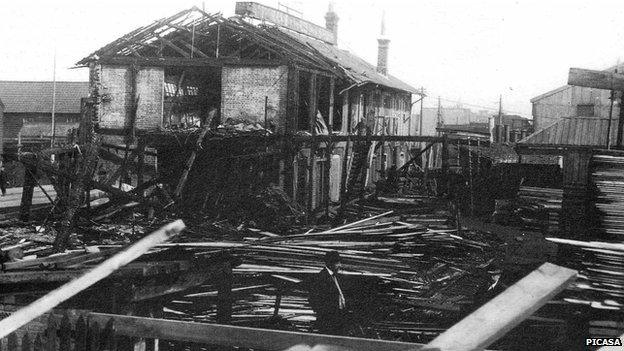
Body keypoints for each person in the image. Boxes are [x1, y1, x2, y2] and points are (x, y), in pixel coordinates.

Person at [309, 251, 347, 335]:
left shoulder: (336, 277)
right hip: (327, 320)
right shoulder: (321, 278)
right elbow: (312, 299)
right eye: (337, 263)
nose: (340, 265)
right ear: (330, 263)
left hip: (337, 318)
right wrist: (325, 314)